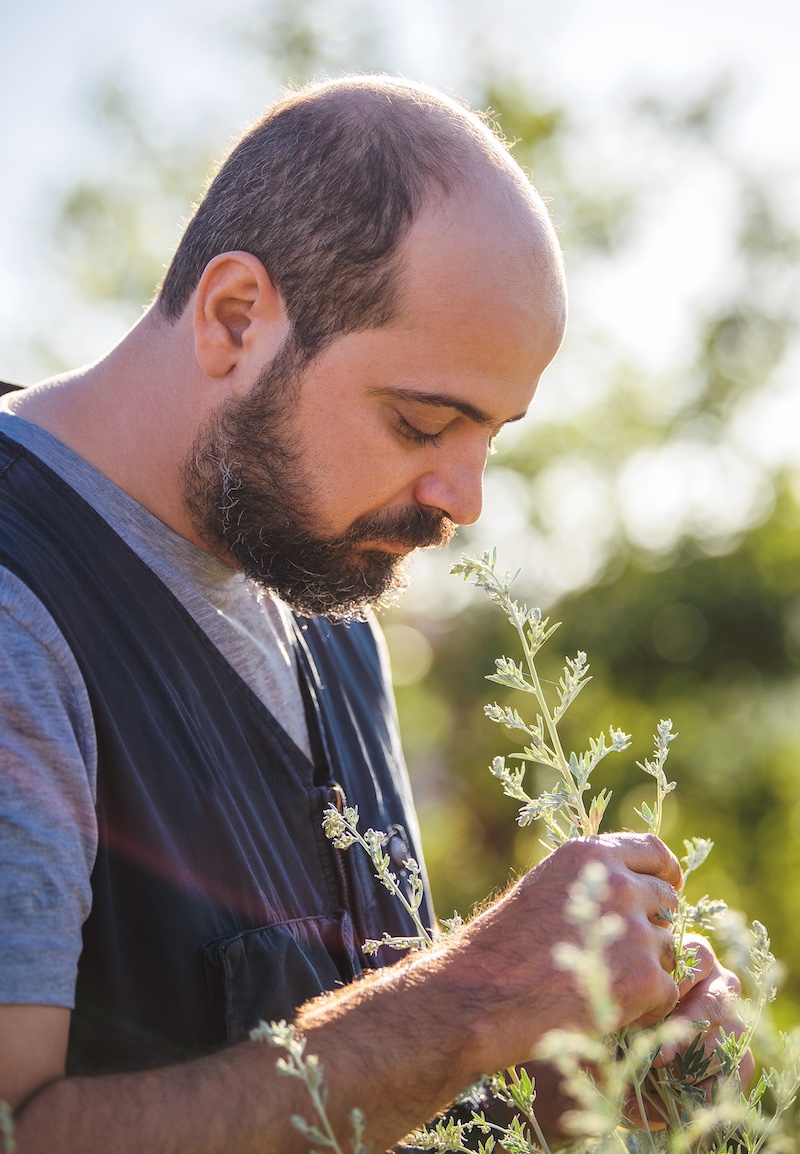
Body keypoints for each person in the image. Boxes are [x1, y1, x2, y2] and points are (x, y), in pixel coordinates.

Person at [0, 76, 746, 1152]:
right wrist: (475, 992)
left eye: (491, 434)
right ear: (234, 317)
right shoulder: (23, 605)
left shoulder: (323, 588)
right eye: (422, 422)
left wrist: (556, 1078)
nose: (463, 500)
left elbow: (357, 1056)